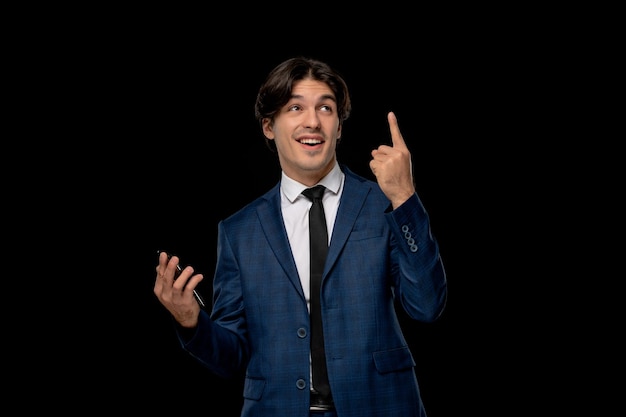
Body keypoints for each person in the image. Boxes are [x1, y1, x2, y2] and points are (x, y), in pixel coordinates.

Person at [154, 56, 447, 417]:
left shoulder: (382, 205)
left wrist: (404, 198)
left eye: (326, 108)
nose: (313, 121)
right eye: (295, 107)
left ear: (339, 127)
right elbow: (231, 358)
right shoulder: (238, 231)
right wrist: (192, 323)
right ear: (268, 126)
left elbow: (428, 305)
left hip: (381, 405)